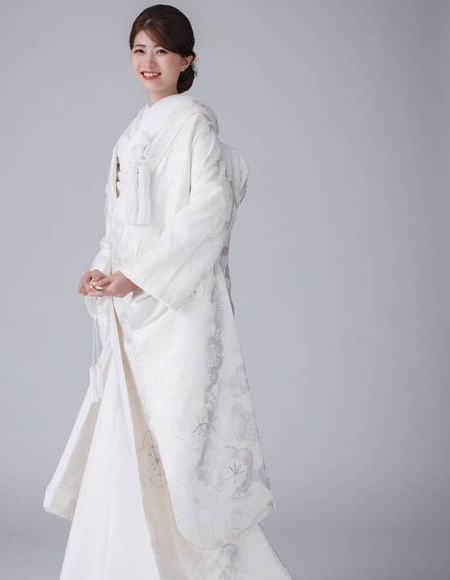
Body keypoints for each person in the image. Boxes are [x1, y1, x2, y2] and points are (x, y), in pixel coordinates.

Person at [44, 5, 294, 579]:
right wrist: (101, 270)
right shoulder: (129, 135)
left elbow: (208, 211)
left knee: (181, 452)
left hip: (179, 313)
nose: (149, 62)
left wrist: (141, 276)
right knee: (130, 438)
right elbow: (121, 228)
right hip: (132, 312)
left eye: (161, 50)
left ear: (187, 60)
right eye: (139, 50)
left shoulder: (194, 125)